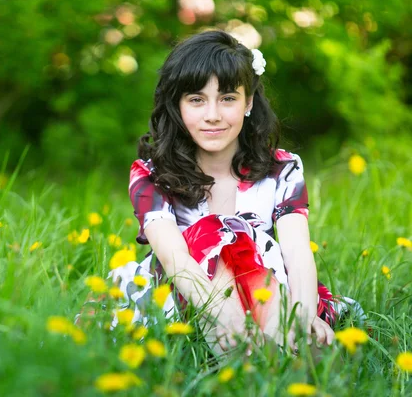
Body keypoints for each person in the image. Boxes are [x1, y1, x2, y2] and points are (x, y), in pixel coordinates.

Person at [109, 30, 346, 355]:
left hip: (267, 297)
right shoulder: (152, 174)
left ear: (248, 101)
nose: (213, 115)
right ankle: (253, 361)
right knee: (217, 231)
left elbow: (297, 252)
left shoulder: (281, 169)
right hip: (185, 299)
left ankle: (276, 357)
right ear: (178, 105)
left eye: (227, 98)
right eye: (196, 100)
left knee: (242, 241)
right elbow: (175, 260)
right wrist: (230, 321)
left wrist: (303, 317)